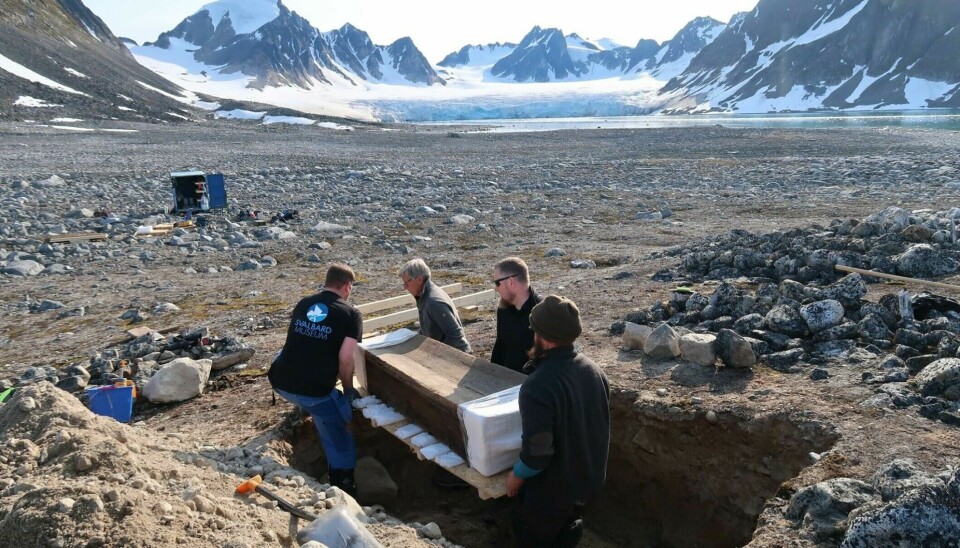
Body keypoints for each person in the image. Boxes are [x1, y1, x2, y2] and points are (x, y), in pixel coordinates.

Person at [506, 295, 610, 548]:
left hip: (552, 495)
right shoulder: (594, 371)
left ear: (541, 335)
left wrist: (516, 477)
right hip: (585, 485)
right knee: (568, 532)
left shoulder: (538, 386)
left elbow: (538, 454)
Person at [268, 263, 363, 495]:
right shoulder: (351, 314)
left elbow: (298, 343)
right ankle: (343, 486)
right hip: (314, 393)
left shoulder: (304, 303)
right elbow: (346, 358)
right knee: (341, 428)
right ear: (347, 286)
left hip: (279, 380)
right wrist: (349, 390)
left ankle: (308, 408)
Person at [398, 258, 472, 353]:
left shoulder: (434, 302)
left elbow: (455, 334)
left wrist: (436, 355)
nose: (405, 287)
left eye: (406, 283)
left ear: (419, 279)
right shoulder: (424, 295)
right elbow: (427, 326)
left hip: (458, 357)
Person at [491, 257, 542, 373]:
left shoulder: (542, 312)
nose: (496, 288)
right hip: (507, 382)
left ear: (511, 282)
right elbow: (500, 345)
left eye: (497, 283)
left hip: (533, 385)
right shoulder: (504, 309)